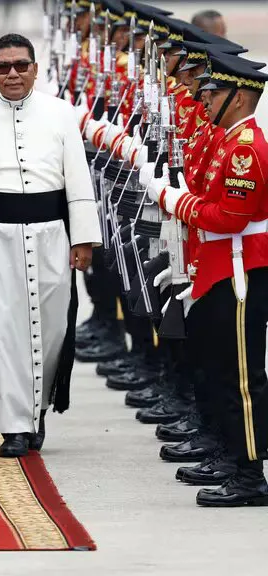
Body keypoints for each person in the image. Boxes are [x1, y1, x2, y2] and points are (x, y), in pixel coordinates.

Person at [0, 33, 101, 459]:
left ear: (35, 67)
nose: (13, 73)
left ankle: (38, 408)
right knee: (3, 331)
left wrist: (84, 238)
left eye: (21, 65)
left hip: (51, 234)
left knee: (52, 330)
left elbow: (78, 180)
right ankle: (14, 424)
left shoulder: (61, 114)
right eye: (3, 67)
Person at [144, 53, 268, 507]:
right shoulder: (225, 140)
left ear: (238, 98)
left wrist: (173, 201)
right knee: (218, 370)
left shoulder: (244, 149)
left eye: (213, 92)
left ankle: (250, 473)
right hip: (216, 265)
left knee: (241, 377)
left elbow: (231, 218)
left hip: (239, 270)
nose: (203, 96)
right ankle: (230, 455)